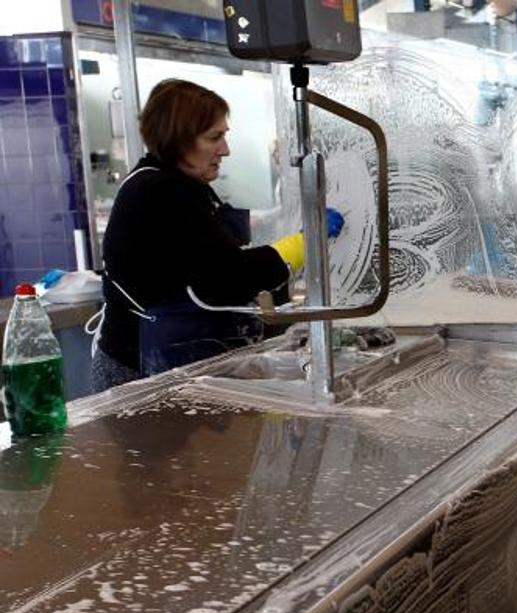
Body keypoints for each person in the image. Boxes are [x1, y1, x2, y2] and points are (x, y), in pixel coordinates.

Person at [90, 79, 341, 392]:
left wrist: (286, 224)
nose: (226, 149)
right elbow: (227, 277)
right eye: (215, 137)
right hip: (142, 366)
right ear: (178, 140)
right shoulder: (158, 191)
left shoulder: (185, 186)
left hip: (179, 353)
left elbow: (220, 237)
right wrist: (305, 243)